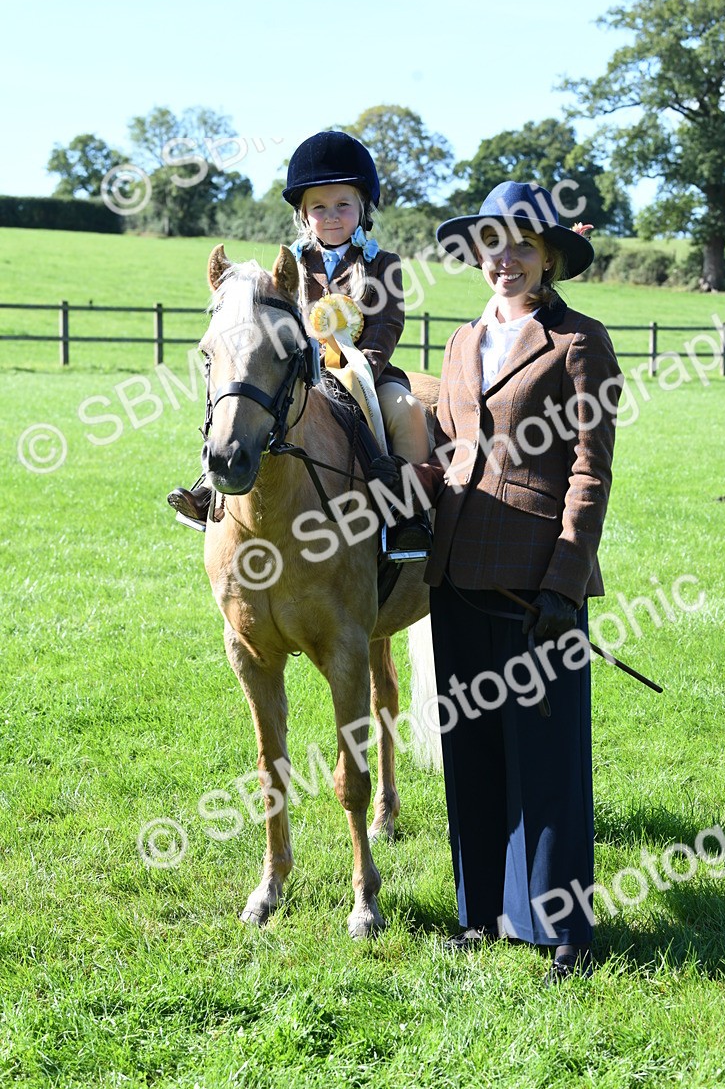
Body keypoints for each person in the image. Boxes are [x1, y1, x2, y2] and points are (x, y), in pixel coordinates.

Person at [369, 181, 622, 982]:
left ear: (548, 258)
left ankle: (564, 934)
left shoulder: (580, 342)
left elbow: (591, 471)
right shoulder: (458, 342)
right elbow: (443, 448)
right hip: (455, 575)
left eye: (521, 246)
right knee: (472, 752)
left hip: (537, 586)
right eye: (491, 245)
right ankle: (481, 916)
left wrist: (565, 582)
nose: (503, 260)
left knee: (545, 761)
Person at [168, 130, 431, 552]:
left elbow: (388, 324)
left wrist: (361, 367)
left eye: (342, 205)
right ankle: (211, 485)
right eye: (319, 208)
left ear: (362, 209)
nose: (331, 216)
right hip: (300, 373)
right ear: (304, 216)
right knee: (243, 404)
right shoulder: (286, 268)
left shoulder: (382, 264)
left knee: (408, 409)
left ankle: (407, 514)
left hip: (366, 372)